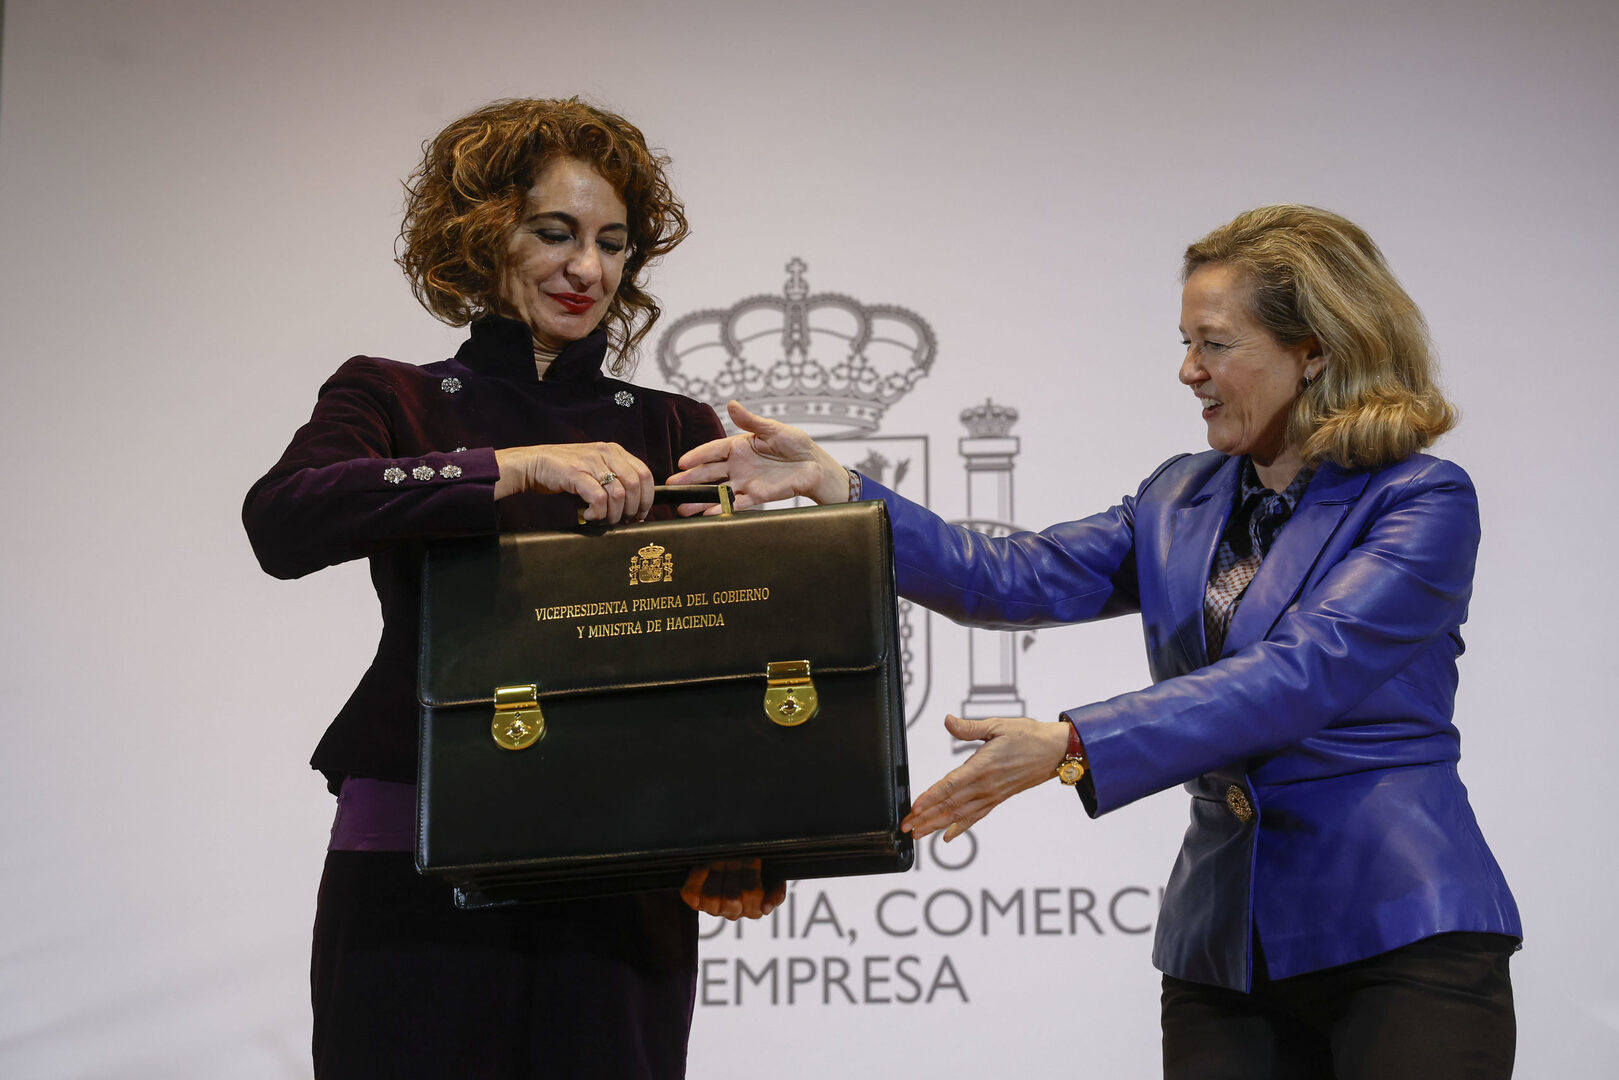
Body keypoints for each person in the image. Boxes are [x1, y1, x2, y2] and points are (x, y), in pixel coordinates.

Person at [670, 205, 1522, 1079]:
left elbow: (1300, 673)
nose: (1187, 370)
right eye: (1184, 343)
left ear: (1314, 349)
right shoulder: (1179, 496)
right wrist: (839, 488)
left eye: (1214, 344)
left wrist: (1072, 743)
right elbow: (1006, 577)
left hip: (1400, 928)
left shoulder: (1419, 499)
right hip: (1221, 953)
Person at [243, 97, 777, 1080]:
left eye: (611, 243)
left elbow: (721, 651)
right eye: (555, 232)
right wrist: (507, 469)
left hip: (626, 865)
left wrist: (743, 827)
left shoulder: (672, 425)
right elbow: (283, 520)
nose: (588, 270)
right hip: (415, 846)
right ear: (481, 234)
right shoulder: (392, 394)